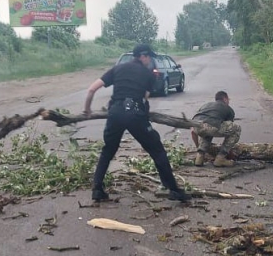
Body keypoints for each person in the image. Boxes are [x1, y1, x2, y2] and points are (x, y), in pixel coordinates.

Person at [83, 43, 191, 203]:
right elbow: (145, 98)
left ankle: (97, 190)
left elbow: (91, 89)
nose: (150, 60)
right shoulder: (148, 74)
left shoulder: (117, 69)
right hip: (135, 114)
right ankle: (173, 190)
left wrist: (87, 110)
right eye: (149, 57)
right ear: (143, 56)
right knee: (157, 150)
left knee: (108, 150)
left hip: (115, 113)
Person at [192, 91, 241, 167]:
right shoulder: (228, 109)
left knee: (206, 130)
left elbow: (193, 132)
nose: (228, 102)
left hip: (196, 127)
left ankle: (199, 157)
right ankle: (220, 158)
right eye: (228, 100)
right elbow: (229, 132)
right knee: (236, 128)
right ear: (225, 99)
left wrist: (198, 147)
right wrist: (229, 152)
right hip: (212, 127)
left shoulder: (205, 105)